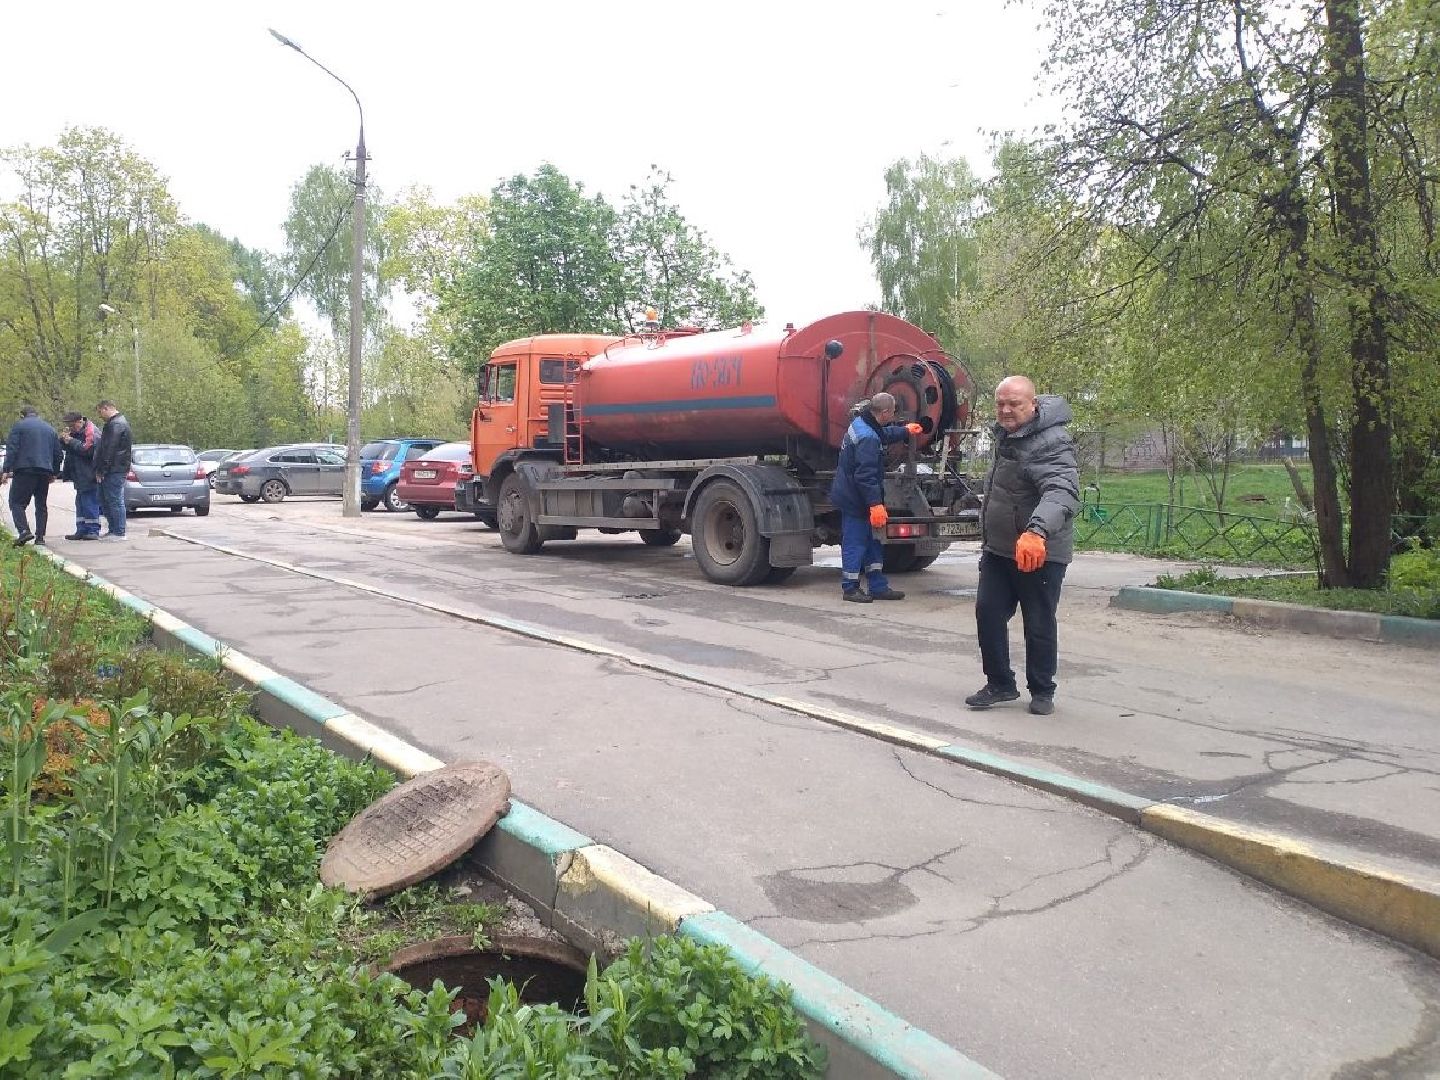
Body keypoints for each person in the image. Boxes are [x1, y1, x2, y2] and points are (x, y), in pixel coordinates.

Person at [965, 375, 1079, 715]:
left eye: (1014, 404)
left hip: (1039, 550)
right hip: (1000, 549)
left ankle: (1043, 689)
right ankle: (1000, 683)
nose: (1006, 410)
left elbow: (1061, 491)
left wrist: (1037, 531)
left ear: (1033, 404)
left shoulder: (1051, 441)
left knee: (1038, 621)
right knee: (988, 613)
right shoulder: (1008, 435)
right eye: (1001, 403)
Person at [829, 391, 924, 603]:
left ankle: (878, 586)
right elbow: (865, 476)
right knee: (856, 542)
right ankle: (850, 588)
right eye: (893, 413)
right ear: (884, 412)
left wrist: (904, 431)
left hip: (856, 495)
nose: (894, 416)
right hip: (856, 500)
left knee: (873, 542)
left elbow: (884, 434)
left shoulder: (864, 423)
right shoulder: (867, 438)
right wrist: (875, 505)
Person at [1, 405, 64, 547]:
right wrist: (54, 472)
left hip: (25, 470)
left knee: (16, 502)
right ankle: (40, 537)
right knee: (41, 504)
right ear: (37, 414)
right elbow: (58, 454)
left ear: (22, 415)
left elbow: (12, 449)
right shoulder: (50, 429)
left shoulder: (19, 427)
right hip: (44, 471)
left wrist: (6, 470)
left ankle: (24, 531)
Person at [93, 399, 133, 541]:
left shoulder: (116, 425)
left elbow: (109, 449)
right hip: (115, 467)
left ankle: (119, 531)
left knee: (114, 500)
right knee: (105, 499)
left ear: (106, 408)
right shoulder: (117, 423)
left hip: (114, 469)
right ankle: (113, 529)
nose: (99, 415)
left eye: (100, 412)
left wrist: (102, 469)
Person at [59, 411, 103, 540]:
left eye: (73, 426)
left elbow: (88, 451)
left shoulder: (91, 432)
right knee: (80, 503)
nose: (72, 429)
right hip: (79, 473)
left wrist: (71, 441)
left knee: (90, 502)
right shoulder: (76, 433)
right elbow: (69, 449)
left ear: (80, 421)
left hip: (89, 473)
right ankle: (81, 529)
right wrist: (63, 439)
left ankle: (93, 530)